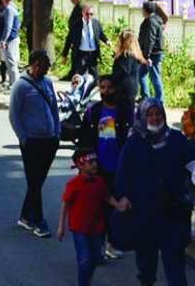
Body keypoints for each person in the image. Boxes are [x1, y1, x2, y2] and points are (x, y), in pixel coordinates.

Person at [115, 98, 195, 286]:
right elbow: (122, 172)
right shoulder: (134, 142)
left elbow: (193, 163)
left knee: (175, 268)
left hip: (173, 213)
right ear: (142, 117)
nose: (154, 118)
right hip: (144, 214)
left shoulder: (177, 139)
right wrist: (123, 196)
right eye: (149, 114)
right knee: (146, 268)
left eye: (158, 113)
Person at [79, 75, 133, 261]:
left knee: (115, 209)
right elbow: (84, 141)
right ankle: (97, 249)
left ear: (116, 89)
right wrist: (84, 168)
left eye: (110, 87)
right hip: (98, 169)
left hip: (119, 169)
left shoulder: (126, 112)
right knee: (97, 210)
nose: (106, 91)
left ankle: (112, 243)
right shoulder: (93, 112)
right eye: (102, 87)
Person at [57, 148, 128, 286]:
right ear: (80, 165)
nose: (95, 164)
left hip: (97, 227)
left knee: (96, 257)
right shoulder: (73, 184)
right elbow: (65, 204)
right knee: (84, 260)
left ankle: (86, 279)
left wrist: (118, 205)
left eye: (95, 161)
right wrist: (61, 226)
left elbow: (106, 196)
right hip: (79, 228)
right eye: (90, 162)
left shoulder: (99, 181)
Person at [9, 50, 60, 238]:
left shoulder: (47, 82)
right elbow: (14, 115)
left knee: (38, 181)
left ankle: (24, 215)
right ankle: (39, 220)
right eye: (45, 66)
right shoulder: (21, 86)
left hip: (49, 139)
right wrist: (24, 138)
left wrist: (57, 132)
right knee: (35, 181)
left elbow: (54, 108)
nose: (47, 70)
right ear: (35, 64)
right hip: (32, 141)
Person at [137, 1, 165, 101]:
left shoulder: (151, 22)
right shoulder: (152, 20)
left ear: (146, 10)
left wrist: (147, 56)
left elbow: (150, 39)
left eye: (142, 9)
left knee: (155, 77)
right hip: (148, 54)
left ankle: (160, 100)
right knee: (141, 74)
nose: (141, 11)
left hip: (152, 55)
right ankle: (145, 97)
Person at [111, 30, 143, 102]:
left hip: (124, 90)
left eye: (119, 40)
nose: (117, 42)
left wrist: (109, 78)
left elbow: (122, 73)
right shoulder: (135, 55)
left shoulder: (126, 56)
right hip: (130, 88)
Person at [0, 0, 21, 90]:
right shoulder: (14, 7)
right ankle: (13, 83)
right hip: (14, 38)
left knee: (11, 63)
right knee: (12, 63)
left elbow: (8, 26)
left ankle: (14, 85)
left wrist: (3, 40)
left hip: (10, 40)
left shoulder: (9, 9)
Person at [61, 0, 85, 80]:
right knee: (75, 56)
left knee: (76, 56)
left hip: (78, 36)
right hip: (75, 35)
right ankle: (73, 73)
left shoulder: (80, 7)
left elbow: (77, 23)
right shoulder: (78, 6)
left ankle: (75, 75)